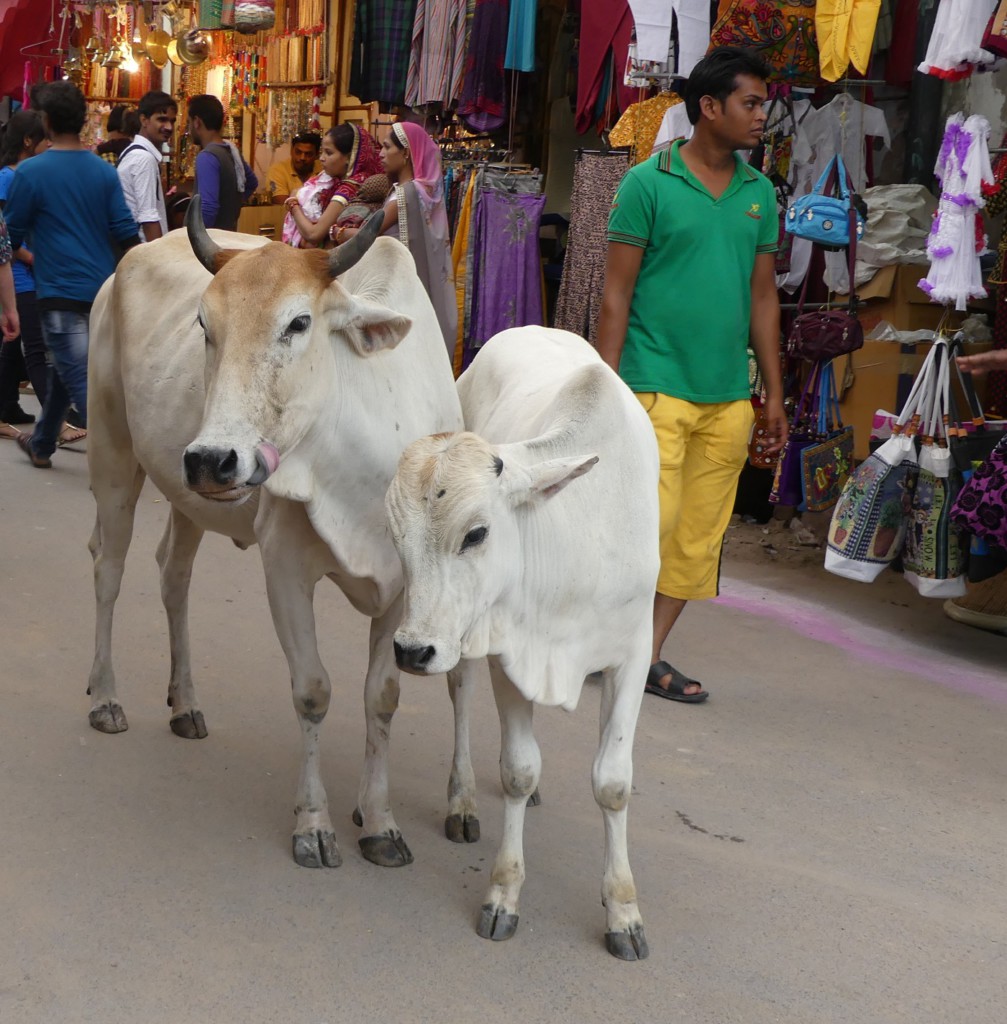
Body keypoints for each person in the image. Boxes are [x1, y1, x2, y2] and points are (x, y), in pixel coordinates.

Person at [596, 46, 787, 704]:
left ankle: (640, 658)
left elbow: (764, 298)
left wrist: (773, 393)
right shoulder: (647, 184)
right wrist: (605, 389)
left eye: (763, 103)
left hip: (727, 398)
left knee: (696, 540)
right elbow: (614, 295)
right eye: (750, 103)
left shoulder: (759, 193)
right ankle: (606, 644)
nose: (763, 116)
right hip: (652, 385)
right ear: (709, 108)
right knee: (647, 529)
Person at [4, 81, 139, 470]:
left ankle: (133, 451)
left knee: (80, 377)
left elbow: (9, 236)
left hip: (58, 292)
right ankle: (42, 443)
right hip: (103, 289)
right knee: (68, 370)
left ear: (45, 121)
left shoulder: (31, 172)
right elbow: (126, 233)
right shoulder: (102, 171)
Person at [373, 121, 457, 357]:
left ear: (406, 153)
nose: (381, 154)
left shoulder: (407, 193)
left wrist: (335, 232)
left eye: (387, 147)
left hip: (399, 290)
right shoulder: (423, 192)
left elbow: (368, 233)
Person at [0, 109, 48, 436]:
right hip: (17, 276)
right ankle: (56, 418)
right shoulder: (7, 178)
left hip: (28, 274)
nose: (50, 144)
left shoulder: (28, 176)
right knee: (34, 347)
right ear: (29, 141)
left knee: (16, 346)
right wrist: (32, 259)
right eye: (45, 138)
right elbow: (6, 237)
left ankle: (8, 406)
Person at [282, 123, 384, 248]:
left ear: (349, 157)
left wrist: (293, 203)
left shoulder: (350, 188)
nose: (322, 158)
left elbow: (313, 234)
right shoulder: (334, 181)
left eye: (328, 153)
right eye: (322, 152)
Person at [186, 95, 257, 232]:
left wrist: (194, 239)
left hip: (209, 243)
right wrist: (231, 207)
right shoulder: (231, 151)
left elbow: (207, 208)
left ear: (197, 122)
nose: (189, 129)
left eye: (189, 122)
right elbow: (252, 183)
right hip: (228, 236)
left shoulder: (207, 157)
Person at [117, 90, 176, 243]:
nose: (169, 127)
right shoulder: (143, 159)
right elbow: (148, 217)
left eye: (172, 121)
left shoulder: (135, 153)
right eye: (162, 120)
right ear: (144, 120)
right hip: (142, 252)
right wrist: (158, 262)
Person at [267, 132, 321, 204]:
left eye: (308, 154)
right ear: (291, 151)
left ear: (317, 155)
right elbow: (283, 204)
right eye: (298, 152)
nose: (302, 158)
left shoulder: (325, 170)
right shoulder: (277, 170)